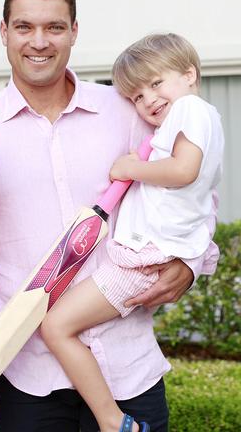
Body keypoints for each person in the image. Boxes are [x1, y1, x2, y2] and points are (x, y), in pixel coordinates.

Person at [0, 0, 219, 432]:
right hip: (28, 376)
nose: (39, 41)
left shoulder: (127, 112)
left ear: (74, 32)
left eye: (54, 27)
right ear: (4, 32)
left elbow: (194, 189)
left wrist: (191, 266)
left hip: (128, 368)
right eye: (24, 26)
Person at [40, 33, 225, 432]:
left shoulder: (192, 109)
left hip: (142, 258)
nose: (149, 100)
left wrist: (129, 169)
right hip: (146, 254)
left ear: (189, 74)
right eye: (137, 96)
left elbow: (183, 171)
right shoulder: (181, 122)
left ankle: (112, 422)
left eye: (156, 83)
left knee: (56, 326)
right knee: (63, 323)